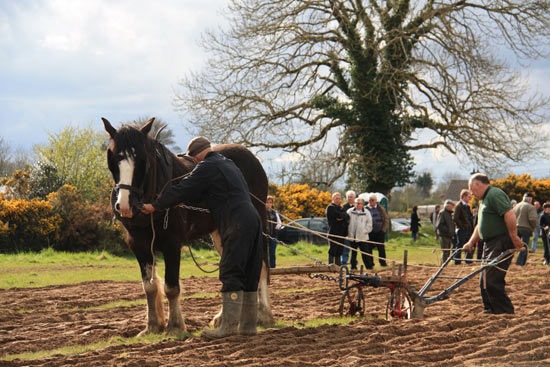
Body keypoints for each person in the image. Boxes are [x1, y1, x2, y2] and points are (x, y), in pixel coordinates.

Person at [141, 136, 263, 338]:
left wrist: (156, 205)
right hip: (252, 218)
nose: (194, 162)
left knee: (230, 270)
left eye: (194, 159)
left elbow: (185, 187)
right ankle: (249, 327)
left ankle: (229, 327)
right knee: (250, 270)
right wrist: (183, 200)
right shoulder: (227, 163)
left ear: (197, 155)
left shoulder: (205, 167)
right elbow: (212, 190)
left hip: (234, 221)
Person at [463, 173, 524, 315]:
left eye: (472, 189)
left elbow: (509, 214)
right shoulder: (483, 200)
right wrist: (471, 241)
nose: (471, 193)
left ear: (479, 184)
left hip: (501, 240)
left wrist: (514, 237)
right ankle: (489, 309)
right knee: (484, 279)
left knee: (492, 278)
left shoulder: (494, 194)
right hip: (489, 243)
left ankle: (505, 312)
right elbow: (480, 225)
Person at [346, 197, 373, 270]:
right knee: (353, 253)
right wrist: (348, 232)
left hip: (362, 237)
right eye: (357, 203)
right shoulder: (349, 211)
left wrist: (364, 231)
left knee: (365, 253)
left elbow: (369, 224)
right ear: (354, 203)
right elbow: (346, 223)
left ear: (363, 204)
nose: (358, 205)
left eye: (360, 203)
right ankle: (353, 267)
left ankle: (369, 267)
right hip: (352, 236)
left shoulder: (367, 212)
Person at [513, 192, 538, 266]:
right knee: (524, 247)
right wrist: (533, 228)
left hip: (515, 228)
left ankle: (507, 261)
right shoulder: (530, 207)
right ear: (530, 199)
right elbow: (533, 219)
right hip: (525, 229)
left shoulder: (516, 206)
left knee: (514, 246)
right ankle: (520, 263)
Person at [365, 194, 389, 267]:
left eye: (372, 200)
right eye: (369, 200)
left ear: (376, 201)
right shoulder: (365, 209)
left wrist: (383, 230)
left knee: (381, 248)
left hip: (379, 232)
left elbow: (386, 219)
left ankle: (383, 263)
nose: (371, 202)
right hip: (370, 232)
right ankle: (371, 263)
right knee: (369, 249)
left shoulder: (380, 208)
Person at [326, 192, 349, 265]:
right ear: (333, 199)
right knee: (333, 250)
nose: (338, 200)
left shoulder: (341, 207)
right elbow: (337, 215)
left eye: (339, 198)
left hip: (341, 233)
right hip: (333, 232)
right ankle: (330, 265)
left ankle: (338, 266)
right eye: (336, 198)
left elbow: (347, 216)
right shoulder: (330, 207)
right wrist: (341, 216)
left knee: (340, 250)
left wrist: (341, 217)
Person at [453, 189, 474, 265]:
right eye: (469, 197)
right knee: (460, 245)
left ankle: (468, 261)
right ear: (464, 197)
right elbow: (455, 218)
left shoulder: (467, 207)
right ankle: (457, 261)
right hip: (462, 230)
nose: (470, 199)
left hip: (468, 229)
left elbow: (470, 218)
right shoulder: (459, 206)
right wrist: (462, 226)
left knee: (469, 244)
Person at [436, 200, 455, 264]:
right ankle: (442, 265)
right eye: (452, 206)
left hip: (449, 235)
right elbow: (439, 225)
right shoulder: (442, 213)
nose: (453, 207)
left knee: (448, 252)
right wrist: (448, 231)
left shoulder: (449, 213)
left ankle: (445, 265)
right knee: (445, 251)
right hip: (444, 235)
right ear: (448, 206)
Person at [266, 195, 282, 268]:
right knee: (264, 253)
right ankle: (265, 267)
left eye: (270, 202)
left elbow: (279, 223)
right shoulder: (263, 212)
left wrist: (277, 226)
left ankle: (273, 267)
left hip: (273, 236)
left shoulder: (275, 212)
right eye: (267, 202)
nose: (269, 204)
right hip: (265, 236)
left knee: (272, 253)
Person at [341, 190, 356, 265]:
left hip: (356, 232)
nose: (350, 198)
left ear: (354, 198)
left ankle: (354, 263)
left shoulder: (357, 207)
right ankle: (344, 263)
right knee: (345, 249)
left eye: (351, 197)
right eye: (349, 197)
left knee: (354, 249)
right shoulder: (343, 207)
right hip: (346, 232)